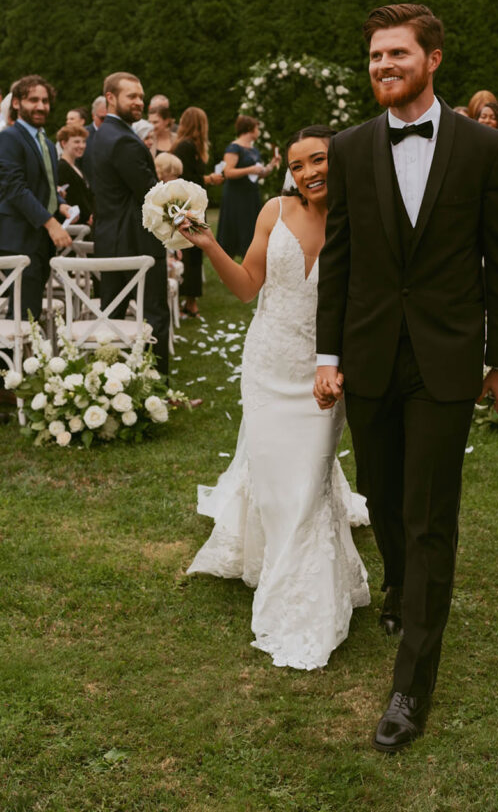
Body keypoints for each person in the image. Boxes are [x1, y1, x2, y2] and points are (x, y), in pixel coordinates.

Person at [314, 3, 498, 752]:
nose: (383, 65)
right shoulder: (348, 148)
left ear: (432, 58)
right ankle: (401, 584)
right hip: (370, 355)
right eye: (375, 55)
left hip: (445, 356)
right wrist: (328, 355)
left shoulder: (487, 149)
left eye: (397, 53)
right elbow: (339, 257)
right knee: (383, 493)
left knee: (431, 511)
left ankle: (411, 684)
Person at [183, 125, 370, 670]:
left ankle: (306, 597)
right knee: (273, 482)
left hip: (324, 372)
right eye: (298, 165)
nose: (309, 172)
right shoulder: (275, 211)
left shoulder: (362, 218)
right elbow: (247, 286)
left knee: (309, 483)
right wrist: (208, 244)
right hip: (268, 366)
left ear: (341, 160)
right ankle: (277, 567)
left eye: (319, 160)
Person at [92, 72, 170, 375]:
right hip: (137, 241)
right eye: (131, 96)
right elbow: (150, 193)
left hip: (111, 240)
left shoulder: (102, 135)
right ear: (111, 98)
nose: (139, 102)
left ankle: (111, 386)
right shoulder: (124, 140)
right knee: (154, 316)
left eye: (141, 96)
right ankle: (158, 389)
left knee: (112, 319)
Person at [0, 75, 71, 318]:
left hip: (40, 239)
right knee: (24, 312)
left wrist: (61, 205)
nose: (41, 106)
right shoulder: (8, 138)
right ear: (17, 103)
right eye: (33, 100)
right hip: (17, 238)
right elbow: (15, 188)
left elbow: (45, 185)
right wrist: (51, 224)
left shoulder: (47, 143)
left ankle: (25, 344)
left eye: (45, 101)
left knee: (29, 311)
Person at [171, 106, 222, 318]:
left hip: (194, 205)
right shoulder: (185, 146)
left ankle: (190, 301)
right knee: (189, 252)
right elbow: (185, 178)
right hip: (186, 206)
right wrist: (208, 179)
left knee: (194, 252)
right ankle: (187, 301)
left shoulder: (191, 146)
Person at [216, 115, 279, 258]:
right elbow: (228, 172)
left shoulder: (254, 150)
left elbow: (259, 174)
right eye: (257, 128)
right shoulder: (234, 147)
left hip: (251, 195)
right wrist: (250, 169)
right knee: (234, 230)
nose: (259, 131)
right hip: (236, 196)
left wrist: (271, 165)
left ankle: (250, 259)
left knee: (251, 229)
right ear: (250, 129)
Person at [56, 124, 94, 225]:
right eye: (76, 142)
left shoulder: (76, 167)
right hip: (76, 225)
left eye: (84, 142)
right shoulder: (61, 168)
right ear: (64, 143)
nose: (82, 146)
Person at [80, 95, 106, 190]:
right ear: (93, 116)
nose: (106, 122)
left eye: (109, 118)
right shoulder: (82, 136)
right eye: (102, 118)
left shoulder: (119, 134)